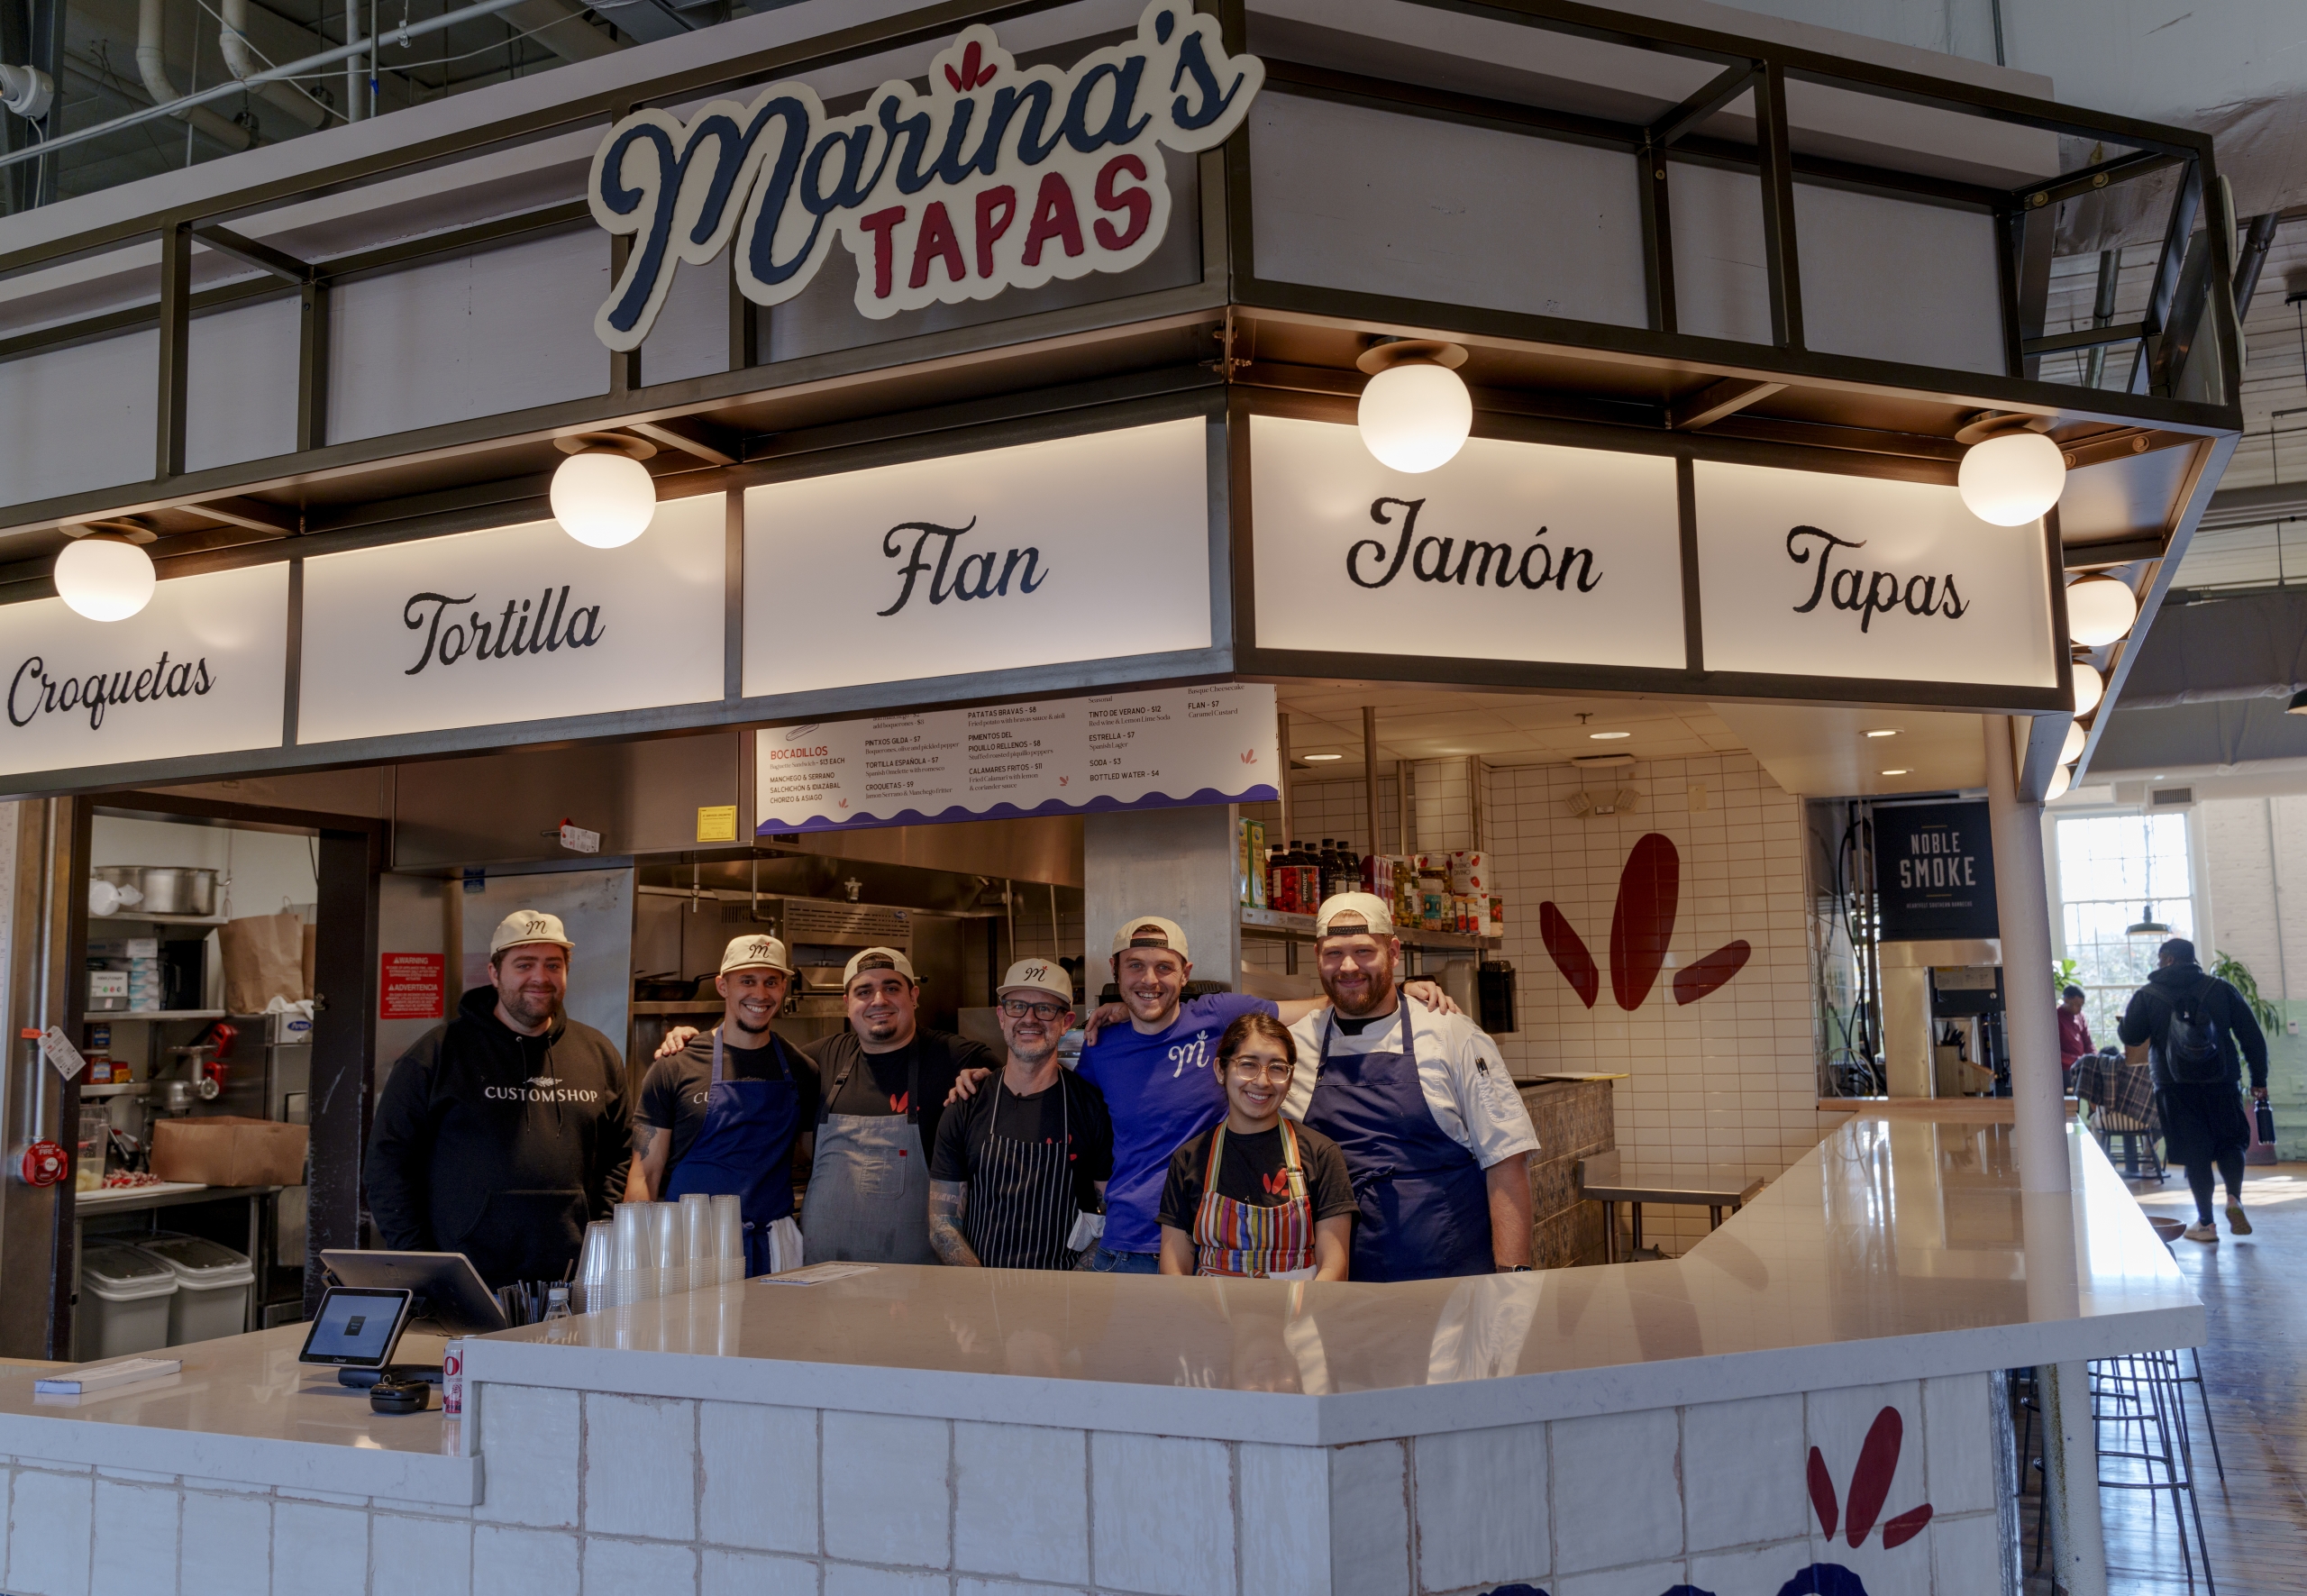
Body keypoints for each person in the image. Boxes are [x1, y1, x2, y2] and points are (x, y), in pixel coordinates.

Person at [1034, 914, 1460, 1275]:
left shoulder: (1218, 1016)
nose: (1149, 979)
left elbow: (1319, 1005)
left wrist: (1397, 992)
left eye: (1164, 967)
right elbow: (1081, 1125)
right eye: (1135, 966)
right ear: (1115, 969)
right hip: (1130, 1246)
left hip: (1219, 1245)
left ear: (1185, 973)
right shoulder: (1101, 1046)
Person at [366, 910, 630, 1289]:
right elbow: (387, 1165)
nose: (540, 977)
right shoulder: (437, 1055)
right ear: (494, 973)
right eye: (524, 965)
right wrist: (424, 1265)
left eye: (553, 965)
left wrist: (601, 1244)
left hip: (577, 1280)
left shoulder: (598, 1054)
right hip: (467, 1282)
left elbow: (621, 1157)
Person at [1285, 892, 1539, 1281]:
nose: (1348, 966)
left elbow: (1506, 1159)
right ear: (1317, 956)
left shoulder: (1451, 1034)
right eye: (1334, 953)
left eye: (1364, 951)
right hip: (1337, 1283)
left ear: (1393, 952)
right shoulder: (1292, 1048)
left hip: (1448, 1277)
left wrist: (1513, 1277)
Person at [627, 935, 815, 1274]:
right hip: (690, 1245)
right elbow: (645, 1173)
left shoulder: (801, 1068)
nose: (760, 994)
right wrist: (636, 1262)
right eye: (747, 981)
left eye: (771, 982)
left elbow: (810, 1155)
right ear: (722, 986)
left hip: (775, 1246)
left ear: (784, 988)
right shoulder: (675, 1066)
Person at [802, 948, 998, 1263]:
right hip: (823, 1273)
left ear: (914, 996)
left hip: (918, 1278)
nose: (878, 1000)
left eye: (891, 988)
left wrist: (988, 1082)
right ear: (847, 1003)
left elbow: (1025, 1091)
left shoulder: (957, 1057)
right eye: (864, 992)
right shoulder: (821, 1059)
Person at [928, 959, 1112, 1269]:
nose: (1029, 1018)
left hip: (1066, 1289)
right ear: (1002, 1016)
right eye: (1017, 1006)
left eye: (1045, 1009)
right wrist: (981, 1288)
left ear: (1066, 1022)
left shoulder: (1091, 1107)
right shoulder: (966, 1105)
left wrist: (1074, 1285)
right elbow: (943, 1224)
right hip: (982, 1290)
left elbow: (1112, 1216)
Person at [1159, 1013, 1355, 1280]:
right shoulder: (1189, 1159)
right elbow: (1174, 1269)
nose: (1262, 1081)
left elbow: (1334, 1267)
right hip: (1209, 1306)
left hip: (1298, 1304)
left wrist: (1303, 1308)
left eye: (1277, 1067)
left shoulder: (1322, 1154)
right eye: (1248, 1064)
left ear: (1290, 1077)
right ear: (1221, 1070)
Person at [2119, 937, 2269, 1244]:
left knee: (2195, 1151)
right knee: (2230, 1142)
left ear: (2168, 959)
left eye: (2160, 959)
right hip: (2222, 1081)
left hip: (2174, 1086)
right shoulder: (2221, 989)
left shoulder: (2148, 995)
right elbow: (2251, 1036)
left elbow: (2131, 1036)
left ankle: (2206, 1224)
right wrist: (2259, 1079)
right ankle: (2233, 1198)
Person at [2057, 984, 2094, 1077]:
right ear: (2066, 1000)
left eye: (2081, 1006)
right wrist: (2077, 1060)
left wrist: (2095, 1058)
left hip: (2081, 1067)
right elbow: (2055, 1051)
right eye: (2077, 1005)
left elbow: (2088, 1041)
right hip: (2065, 1070)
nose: (2080, 1009)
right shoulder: (2055, 1017)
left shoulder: (2080, 1015)